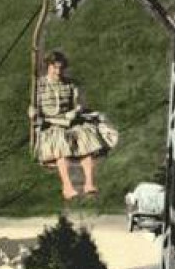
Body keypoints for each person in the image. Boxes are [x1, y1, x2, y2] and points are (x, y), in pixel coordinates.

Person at [30, 50, 118, 200]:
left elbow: (78, 104)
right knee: (61, 145)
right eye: (55, 68)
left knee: (86, 139)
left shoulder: (69, 84)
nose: (58, 71)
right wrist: (33, 114)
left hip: (69, 121)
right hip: (51, 124)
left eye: (61, 68)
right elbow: (34, 108)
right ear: (49, 67)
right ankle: (67, 186)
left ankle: (89, 183)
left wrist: (75, 111)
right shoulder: (40, 86)